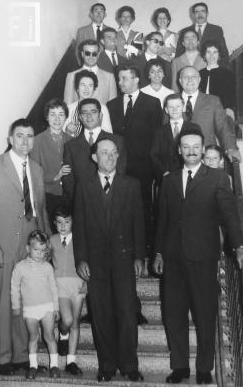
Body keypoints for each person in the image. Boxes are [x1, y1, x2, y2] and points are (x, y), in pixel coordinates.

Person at [153, 127, 243, 384]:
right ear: (179, 150)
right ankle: (180, 366)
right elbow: (163, 220)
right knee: (174, 315)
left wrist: (239, 246)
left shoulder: (217, 178)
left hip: (203, 257)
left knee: (205, 314)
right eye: (186, 147)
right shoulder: (170, 180)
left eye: (196, 146)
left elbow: (230, 216)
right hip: (173, 259)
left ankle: (205, 368)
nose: (191, 151)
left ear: (203, 148)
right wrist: (159, 252)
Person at [73, 137, 145, 382]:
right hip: (95, 263)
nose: (110, 157)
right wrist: (81, 259)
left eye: (114, 153)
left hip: (124, 260)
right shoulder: (84, 186)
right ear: (95, 157)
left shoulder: (131, 185)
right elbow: (80, 226)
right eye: (104, 153)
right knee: (101, 313)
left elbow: (139, 224)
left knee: (126, 312)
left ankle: (129, 365)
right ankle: (106, 366)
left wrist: (139, 257)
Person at [0, 119, 50, 375]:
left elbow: (40, 209)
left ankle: (22, 355)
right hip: (3, 243)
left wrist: (45, 245)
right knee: (2, 302)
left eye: (30, 136)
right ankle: (2, 357)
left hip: (30, 244)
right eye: (20, 136)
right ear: (11, 139)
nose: (26, 141)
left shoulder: (36, 169)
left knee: (27, 301)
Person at [107, 65, 163, 257]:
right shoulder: (112, 105)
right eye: (119, 79)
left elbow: (157, 138)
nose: (120, 82)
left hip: (143, 169)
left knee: (143, 208)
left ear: (136, 79)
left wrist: (155, 169)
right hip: (118, 167)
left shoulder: (152, 103)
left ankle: (145, 250)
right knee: (119, 208)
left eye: (124, 78)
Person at [11, 230, 60, 379]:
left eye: (42, 250)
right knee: (33, 337)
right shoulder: (20, 267)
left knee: (49, 336)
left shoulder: (47, 267)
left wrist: (56, 307)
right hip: (30, 309)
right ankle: (33, 366)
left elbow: (53, 288)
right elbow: (14, 287)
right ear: (28, 249)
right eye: (35, 249)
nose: (39, 253)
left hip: (47, 307)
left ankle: (54, 366)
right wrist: (15, 306)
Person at [63, 98, 125, 205]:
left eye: (93, 112)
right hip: (82, 203)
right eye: (84, 113)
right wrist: (78, 201)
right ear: (80, 118)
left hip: (111, 202)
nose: (89, 116)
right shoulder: (70, 146)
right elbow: (68, 179)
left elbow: (121, 171)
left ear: (100, 115)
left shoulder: (117, 141)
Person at [178, 65, 241, 163]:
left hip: (207, 156)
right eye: (186, 77)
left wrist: (231, 148)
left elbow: (222, 127)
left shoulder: (213, 101)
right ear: (180, 81)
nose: (190, 80)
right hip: (180, 158)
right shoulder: (172, 101)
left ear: (199, 79)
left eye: (193, 76)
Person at [50, 206, 85, 375]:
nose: (63, 226)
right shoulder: (52, 240)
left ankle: (71, 360)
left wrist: (87, 282)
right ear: (54, 223)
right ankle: (62, 335)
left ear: (73, 222)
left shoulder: (80, 239)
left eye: (67, 222)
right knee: (68, 319)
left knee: (76, 322)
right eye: (59, 222)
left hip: (78, 284)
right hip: (60, 286)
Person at [30, 98, 72, 232]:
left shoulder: (72, 140)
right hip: (48, 194)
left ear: (66, 117)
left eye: (61, 114)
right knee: (51, 232)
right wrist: (56, 176)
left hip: (69, 194)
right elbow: (34, 173)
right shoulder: (37, 141)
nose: (57, 118)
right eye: (53, 114)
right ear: (47, 117)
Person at [64, 39, 117, 105]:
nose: (91, 57)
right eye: (87, 53)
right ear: (82, 54)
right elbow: (67, 105)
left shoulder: (109, 77)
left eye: (94, 54)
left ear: (98, 54)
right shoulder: (72, 76)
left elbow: (113, 105)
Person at [175, 2, 229, 67]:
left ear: (207, 13)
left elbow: (224, 54)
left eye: (203, 11)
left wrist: (219, 71)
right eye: (197, 12)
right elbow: (179, 54)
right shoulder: (185, 31)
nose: (200, 14)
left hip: (211, 69)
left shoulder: (216, 30)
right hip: (190, 71)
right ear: (193, 15)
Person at [151, 93, 188, 185]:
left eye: (178, 106)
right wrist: (163, 172)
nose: (174, 109)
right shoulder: (159, 131)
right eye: (171, 107)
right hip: (166, 176)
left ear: (183, 108)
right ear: (166, 110)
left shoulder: (193, 128)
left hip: (188, 175)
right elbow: (153, 155)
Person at [63, 70, 112, 138]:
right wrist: (67, 131)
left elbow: (109, 133)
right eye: (83, 85)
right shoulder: (69, 108)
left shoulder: (102, 108)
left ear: (94, 89)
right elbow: (62, 136)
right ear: (77, 88)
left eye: (90, 85)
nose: (86, 89)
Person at [199, 40, 236, 120]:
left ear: (219, 55)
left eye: (215, 52)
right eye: (208, 52)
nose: (211, 55)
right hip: (202, 112)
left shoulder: (227, 74)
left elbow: (231, 96)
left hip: (222, 112)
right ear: (204, 55)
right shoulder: (199, 74)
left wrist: (229, 109)